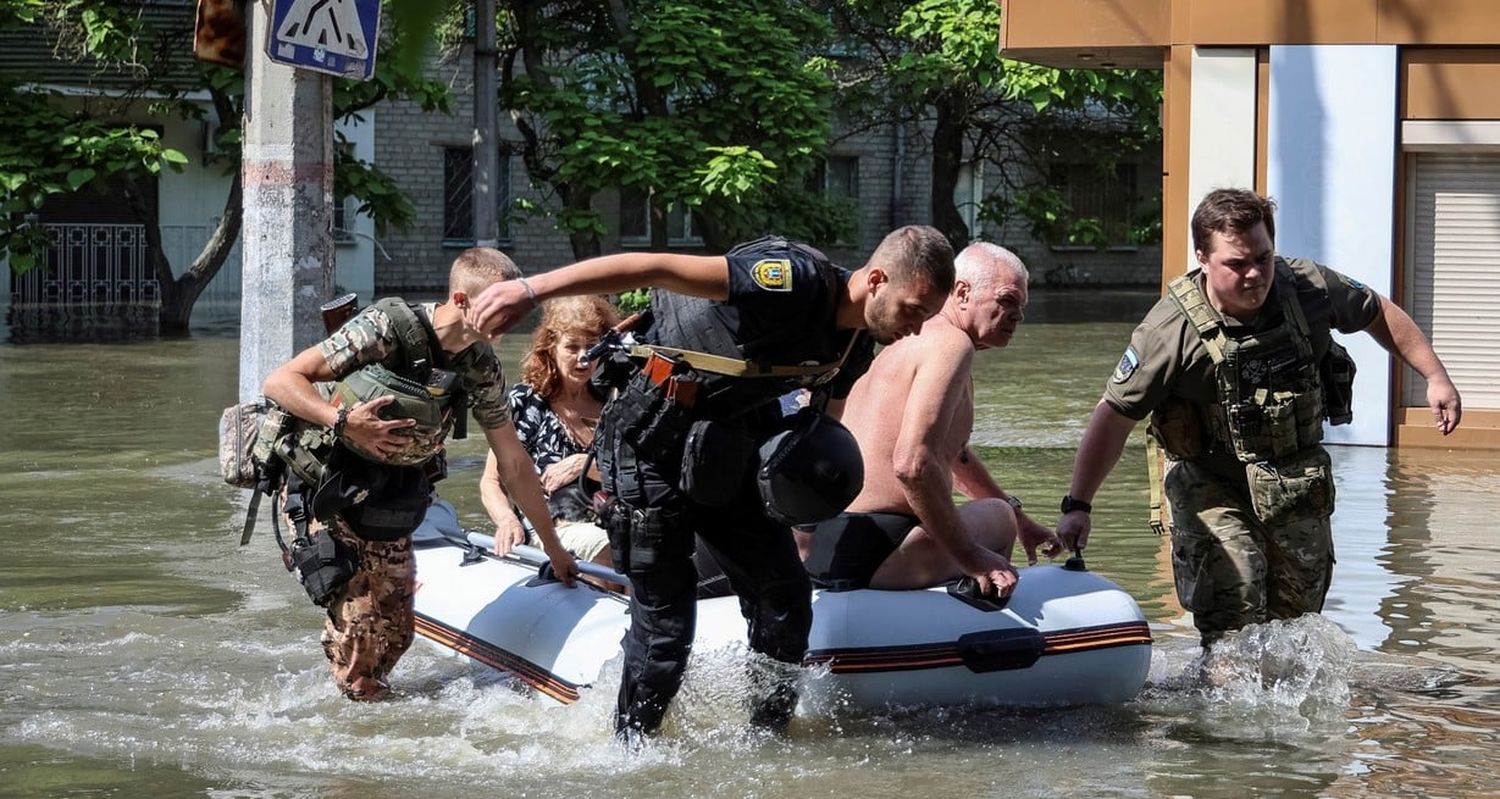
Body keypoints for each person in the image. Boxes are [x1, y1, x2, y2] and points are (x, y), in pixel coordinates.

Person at [470, 226, 955, 738]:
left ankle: (766, 740)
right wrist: (529, 289)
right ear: (876, 280)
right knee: (666, 633)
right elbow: (653, 266)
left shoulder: (855, 345)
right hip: (648, 442)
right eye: (913, 309)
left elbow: (816, 434)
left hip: (727, 451)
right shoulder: (789, 281)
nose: (918, 329)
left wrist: (803, 510)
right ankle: (627, 753)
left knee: (785, 601)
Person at [1056, 188, 1462, 647]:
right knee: (1234, 606)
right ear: (1203, 258)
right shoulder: (1169, 332)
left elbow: (1376, 312)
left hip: (1293, 478)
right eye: (1236, 264)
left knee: (1296, 626)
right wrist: (1079, 505)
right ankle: (1219, 705)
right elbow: (1113, 416)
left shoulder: (1308, 286)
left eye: (1263, 258)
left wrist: (1435, 376)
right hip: (1210, 483)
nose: (1254, 275)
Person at [261, 248, 579, 701]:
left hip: (388, 495)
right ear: (462, 300)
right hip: (325, 488)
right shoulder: (385, 329)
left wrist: (554, 548)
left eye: (515, 306)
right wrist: (344, 421)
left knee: (397, 634)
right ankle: (353, 741)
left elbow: (513, 463)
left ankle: (358, 700)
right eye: (499, 306)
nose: (511, 319)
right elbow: (281, 380)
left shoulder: (479, 367)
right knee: (364, 633)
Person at [797, 243, 1062, 595]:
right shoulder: (953, 345)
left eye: (1022, 307)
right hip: (883, 550)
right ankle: (987, 606)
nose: (1018, 316)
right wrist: (971, 555)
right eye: (1007, 301)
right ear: (963, 292)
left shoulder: (907, 342)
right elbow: (912, 464)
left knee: (1004, 511)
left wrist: (1023, 519)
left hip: (830, 547)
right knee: (997, 515)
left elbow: (953, 457)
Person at [480, 295, 617, 568]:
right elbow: (491, 482)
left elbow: (638, 477)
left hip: (613, 518)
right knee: (607, 546)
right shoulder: (526, 402)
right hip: (551, 527)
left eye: (592, 347)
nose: (584, 359)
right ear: (550, 348)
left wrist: (584, 465)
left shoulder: (616, 402)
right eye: (572, 347)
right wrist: (507, 520)